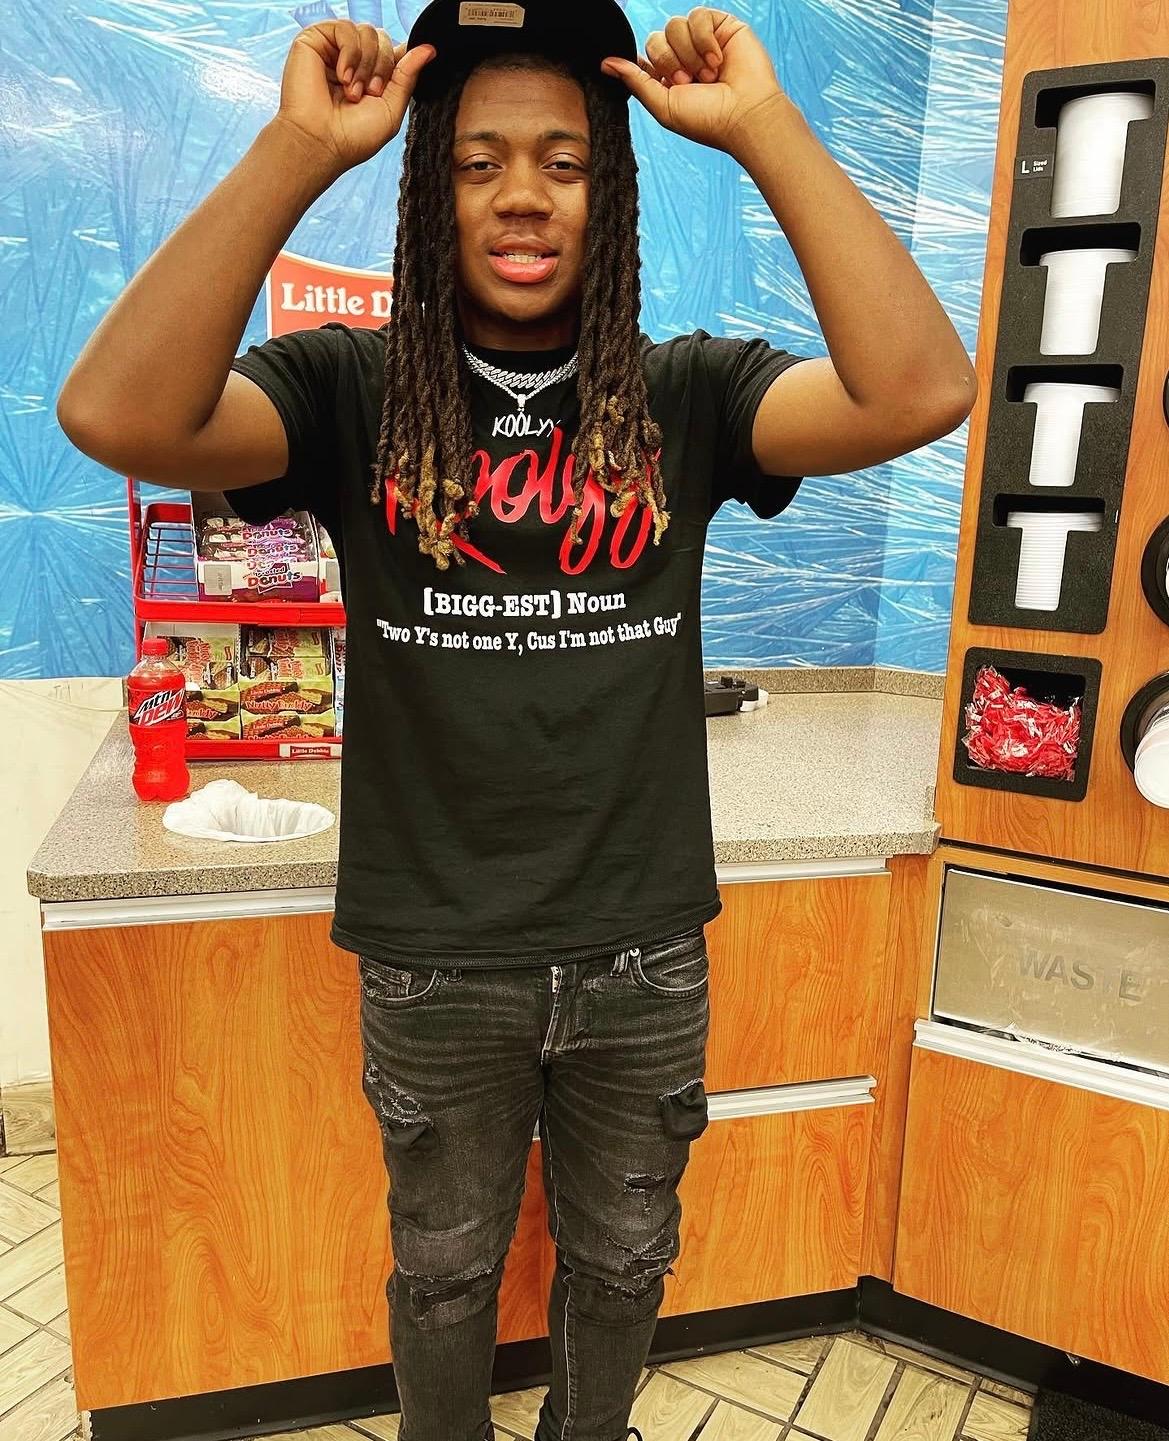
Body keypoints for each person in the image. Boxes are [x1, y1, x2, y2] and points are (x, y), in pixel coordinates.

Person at [56, 4, 976, 1438]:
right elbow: (116, 412)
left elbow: (920, 387)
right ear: (432, 196)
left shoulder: (685, 395)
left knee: (625, 1263)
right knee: (441, 1279)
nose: (524, 194)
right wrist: (299, 148)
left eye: (564, 160)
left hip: (642, 949)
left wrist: (760, 127)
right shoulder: (352, 392)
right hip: (437, 956)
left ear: (610, 192)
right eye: (477, 162)